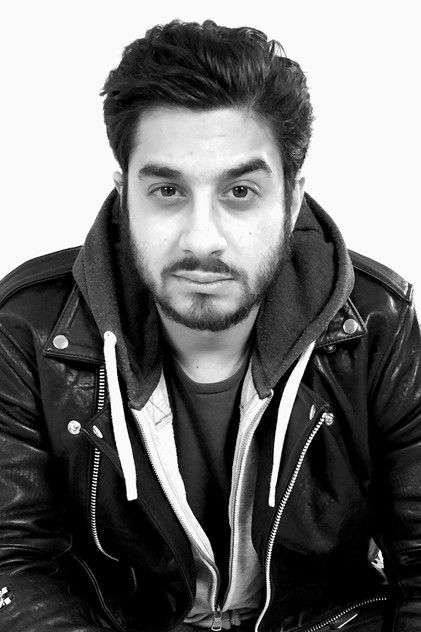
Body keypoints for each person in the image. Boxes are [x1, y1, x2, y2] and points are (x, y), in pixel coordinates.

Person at [0, 18, 420, 632]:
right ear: (124, 196)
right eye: (167, 191)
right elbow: (13, 561)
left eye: (240, 191)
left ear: (292, 200)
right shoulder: (31, 327)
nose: (202, 239)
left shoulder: (375, 325)